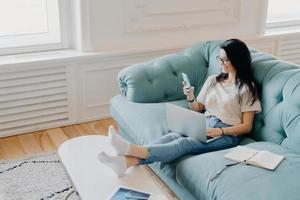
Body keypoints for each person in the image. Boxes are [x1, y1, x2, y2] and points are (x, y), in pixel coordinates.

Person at [98, 39, 262, 177]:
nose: (222, 63)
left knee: (186, 144)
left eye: (226, 60)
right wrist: (190, 96)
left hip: (227, 133)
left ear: (238, 60)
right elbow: (197, 108)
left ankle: (129, 150)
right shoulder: (213, 80)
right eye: (220, 59)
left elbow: (246, 127)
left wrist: (220, 132)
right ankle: (125, 162)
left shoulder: (247, 88)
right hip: (205, 121)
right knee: (172, 136)